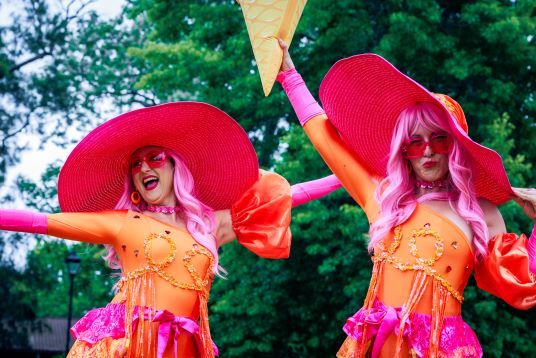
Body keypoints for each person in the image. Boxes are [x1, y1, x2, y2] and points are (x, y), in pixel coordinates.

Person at [0, 101, 341, 357]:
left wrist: (345, 176)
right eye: (136, 164)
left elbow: (289, 195)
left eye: (155, 158)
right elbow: (39, 221)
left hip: (185, 346)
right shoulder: (124, 223)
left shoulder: (209, 224)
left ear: (176, 167)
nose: (144, 167)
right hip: (129, 344)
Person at [276, 40, 536, 357]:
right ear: (404, 151)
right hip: (376, 346)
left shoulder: (480, 211)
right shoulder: (385, 198)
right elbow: (325, 138)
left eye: (438, 138)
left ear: (454, 146)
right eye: (415, 142)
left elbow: (521, 282)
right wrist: (289, 76)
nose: (426, 150)